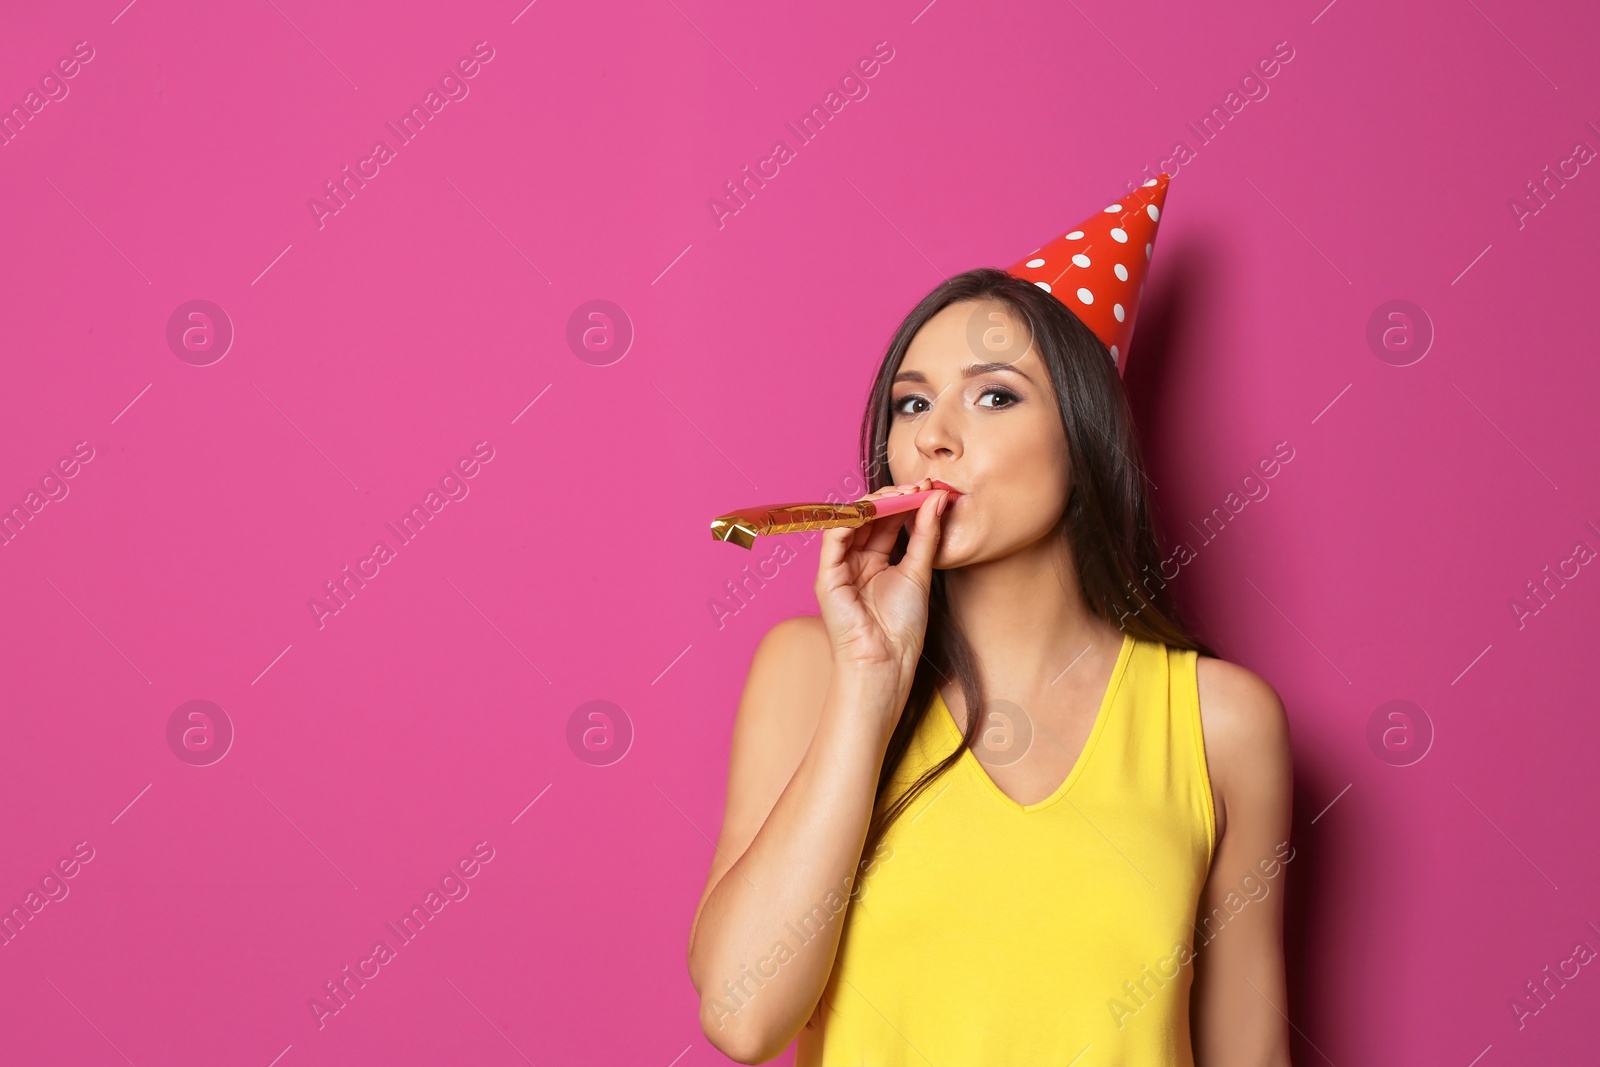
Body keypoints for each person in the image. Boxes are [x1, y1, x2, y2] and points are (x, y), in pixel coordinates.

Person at [685, 264, 1294, 1065]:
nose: (933, 435)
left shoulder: (1223, 722)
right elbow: (741, 1014)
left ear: (1083, 438)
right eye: (912, 402)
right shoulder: (813, 669)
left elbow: (1246, 1048)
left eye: (994, 395)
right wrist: (872, 679)